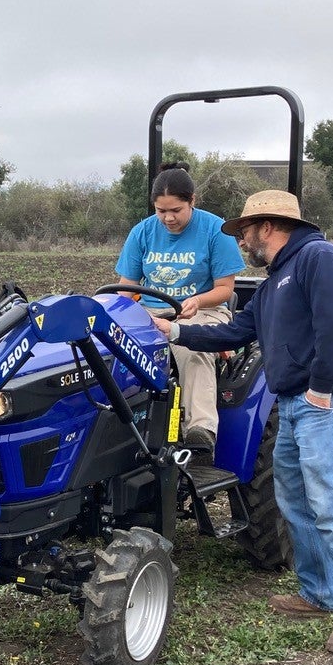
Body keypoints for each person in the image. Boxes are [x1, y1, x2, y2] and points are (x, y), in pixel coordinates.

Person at [148, 190, 333, 655]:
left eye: (244, 233)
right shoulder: (278, 276)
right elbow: (236, 330)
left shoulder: (320, 259)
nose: (241, 242)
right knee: (294, 499)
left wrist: (319, 387)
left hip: (326, 402)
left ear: (268, 227)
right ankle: (316, 593)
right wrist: (173, 331)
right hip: (296, 402)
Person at [115, 163, 244, 463]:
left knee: (193, 348)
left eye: (176, 210)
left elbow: (225, 289)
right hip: (150, 311)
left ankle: (200, 432)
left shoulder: (215, 229)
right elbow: (126, 287)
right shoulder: (143, 232)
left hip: (202, 310)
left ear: (192, 202)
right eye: (161, 211)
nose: (168, 218)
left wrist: (198, 301)